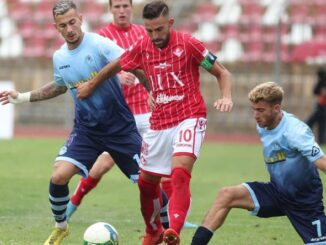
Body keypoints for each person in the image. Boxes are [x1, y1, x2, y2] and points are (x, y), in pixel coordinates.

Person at [75, 1, 233, 244]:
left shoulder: (189, 44)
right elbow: (116, 64)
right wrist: (92, 84)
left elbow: (223, 72)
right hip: (158, 122)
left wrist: (226, 96)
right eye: (150, 30)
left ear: (170, 23)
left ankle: (174, 231)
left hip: (190, 117)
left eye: (159, 29)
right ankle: (154, 231)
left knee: (179, 173)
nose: (155, 35)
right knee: (146, 184)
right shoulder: (142, 46)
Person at [0, 1, 152, 244]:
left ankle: (164, 230)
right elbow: (60, 86)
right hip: (87, 130)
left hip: (120, 128)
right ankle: (61, 226)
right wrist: (23, 97)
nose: (69, 29)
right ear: (56, 27)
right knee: (59, 176)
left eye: (72, 22)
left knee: (148, 183)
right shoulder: (60, 57)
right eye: (63, 25)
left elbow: (131, 62)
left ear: (80, 18)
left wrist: (151, 91)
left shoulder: (99, 44)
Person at [66, 0, 198, 229]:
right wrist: (116, 76)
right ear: (110, 10)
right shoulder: (101, 37)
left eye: (125, 6)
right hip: (120, 116)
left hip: (149, 113)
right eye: (116, 7)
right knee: (101, 166)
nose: (122, 11)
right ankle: (70, 208)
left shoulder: (144, 33)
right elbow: (95, 71)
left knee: (163, 170)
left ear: (131, 8)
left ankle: (173, 221)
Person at [191, 81, 326, 245]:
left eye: (260, 110)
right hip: (276, 192)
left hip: (304, 201)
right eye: (254, 109)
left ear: (276, 108)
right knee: (226, 195)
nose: (255, 115)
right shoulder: (263, 124)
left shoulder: (296, 131)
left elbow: (321, 161)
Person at [306, 68, 326, 144]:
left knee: (309, 122)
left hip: (321, 107)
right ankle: (322, 141)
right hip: (321, 106)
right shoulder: (322, 82)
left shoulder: (322, 82)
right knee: (322, 126)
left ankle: (305, 136)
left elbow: (316, 92)